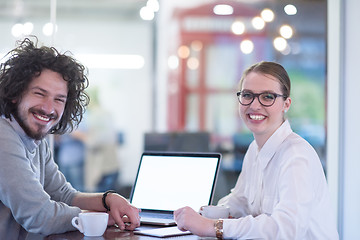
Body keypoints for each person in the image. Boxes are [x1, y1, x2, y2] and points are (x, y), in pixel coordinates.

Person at [174, 61, 339, 239]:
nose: (254, 105)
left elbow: (287, 230)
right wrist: (205, 214)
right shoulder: (254, 149)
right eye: (247, 95)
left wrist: (213, 226)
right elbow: (240, 202)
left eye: (267, 97)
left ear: (286, 104)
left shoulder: (296, 156)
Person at [0, 37, 140, 239]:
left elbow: (64, 195)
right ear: (15, 94)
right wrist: (97, 218)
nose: (49, 108)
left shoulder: (36, 139)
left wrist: (108, 199)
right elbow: (39, 215)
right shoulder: (4, 135)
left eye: (59, 99)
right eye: (40, 93)